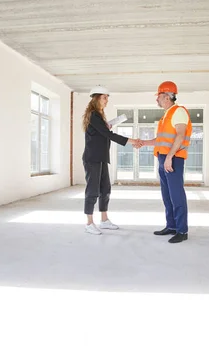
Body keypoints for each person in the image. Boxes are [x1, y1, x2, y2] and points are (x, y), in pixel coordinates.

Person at [82, 85, 142, 235]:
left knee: (105, 189)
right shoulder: (94, 115)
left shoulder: (99, 115)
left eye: (107, 97)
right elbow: (109, 136)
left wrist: (107, 126)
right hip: (92, 159)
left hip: (101, 158)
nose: (107, 100)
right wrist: (132, 140)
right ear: (96, 98)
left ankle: (104, 220)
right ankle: (89, 223)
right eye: (104, 97)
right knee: (92, 190)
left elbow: (103, 133)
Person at [139, 81, 192, 243]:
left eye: (159, 97)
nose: (157, 100)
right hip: (164, 158)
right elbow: (161, 140)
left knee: (176, 195)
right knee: (167, 195)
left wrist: (169, 157)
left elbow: (180, 136)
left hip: (173, 158)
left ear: (167, 97)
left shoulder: (179, 112)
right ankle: (172, 226)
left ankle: (182, 231)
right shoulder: (166, 115)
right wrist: (143, 143)